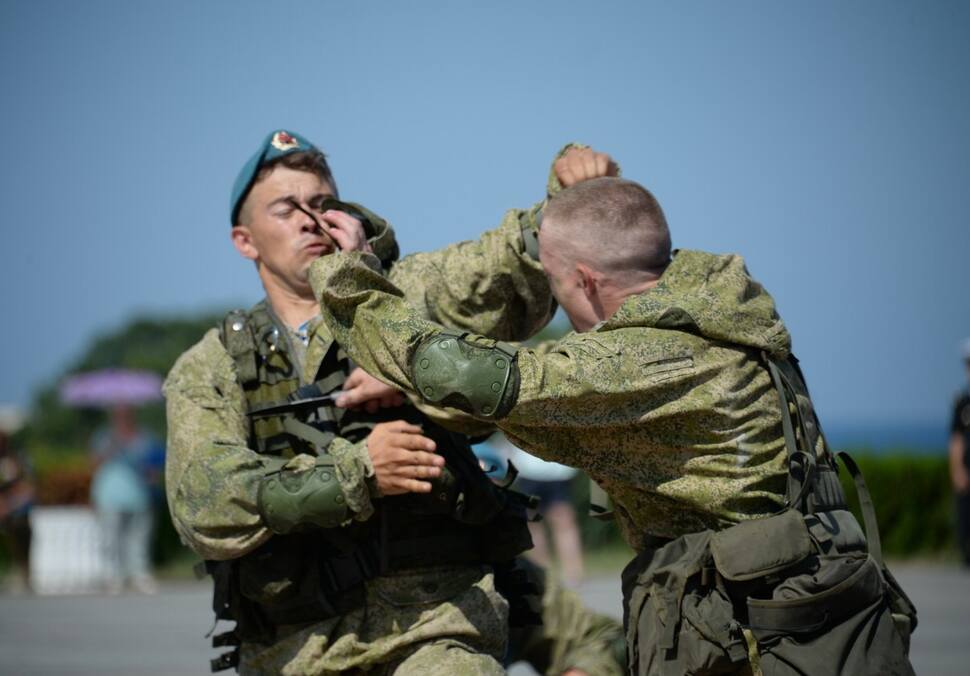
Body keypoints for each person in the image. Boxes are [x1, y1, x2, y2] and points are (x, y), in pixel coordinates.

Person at [310, 175, 917, 675]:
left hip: (759, 646)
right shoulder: (719, 318)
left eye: (551, 280)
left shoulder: (645, 360)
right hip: (820, 627)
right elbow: (547, 409)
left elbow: (473, 377)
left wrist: (354, 274)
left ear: (585, 282)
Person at [164, 129, 617, 674]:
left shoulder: (401, 298)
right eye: (286, 209)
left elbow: (497, 272)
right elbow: (205, 504)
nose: (310, 219)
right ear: (245, 239)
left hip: (434, 632)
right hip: (293, 652)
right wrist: (359, 471)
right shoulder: (213, 364)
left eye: (322, 203)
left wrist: (565, 196)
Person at [90, 404, 160, 594]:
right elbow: (95, 463)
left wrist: (151, 472)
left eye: (127, 414)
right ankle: (113, 576)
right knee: (111, 539)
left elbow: (155, 462)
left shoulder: (144, 437)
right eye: (119, 415)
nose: (123, 419)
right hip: (110, 497)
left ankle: (139, 575)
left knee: (139, 538)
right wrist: (112, 447)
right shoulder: (103, 437)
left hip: (139, 496)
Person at [0, 405, 34, 593]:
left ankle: (23, 572)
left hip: (17, 510)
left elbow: (27, 485)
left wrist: (11, 501)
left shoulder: (17, 457)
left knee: (21, 529)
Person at [949, 338, 970, 567]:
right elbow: (956, 439)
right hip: (967, 469)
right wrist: (957, 470)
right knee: (965, 518)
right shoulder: (963, 402)